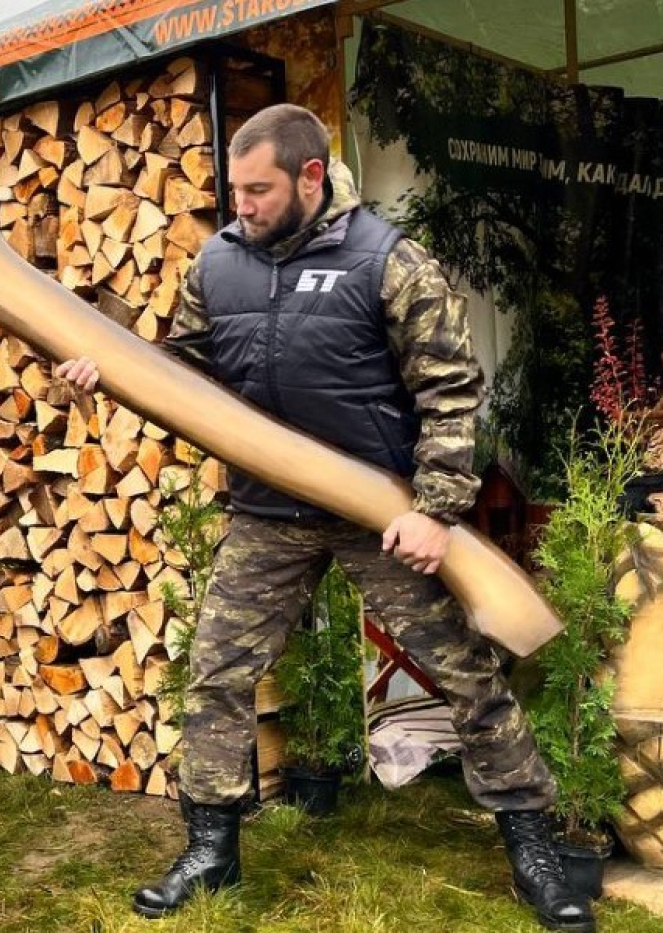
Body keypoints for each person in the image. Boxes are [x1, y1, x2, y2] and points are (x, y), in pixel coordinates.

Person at [56, 104, 591, 932]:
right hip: (268, 513)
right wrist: (113, 369)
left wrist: (437, 509)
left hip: (380, 514)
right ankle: (211, 848)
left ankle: (534, 846)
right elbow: (185, 369)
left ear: (312, 177)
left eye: (260, 189)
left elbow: (451, 391)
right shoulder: (218, 262)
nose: (243, 205)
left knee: (466, 677)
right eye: (235, 189)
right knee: (217, 675)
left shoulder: (388, 260)